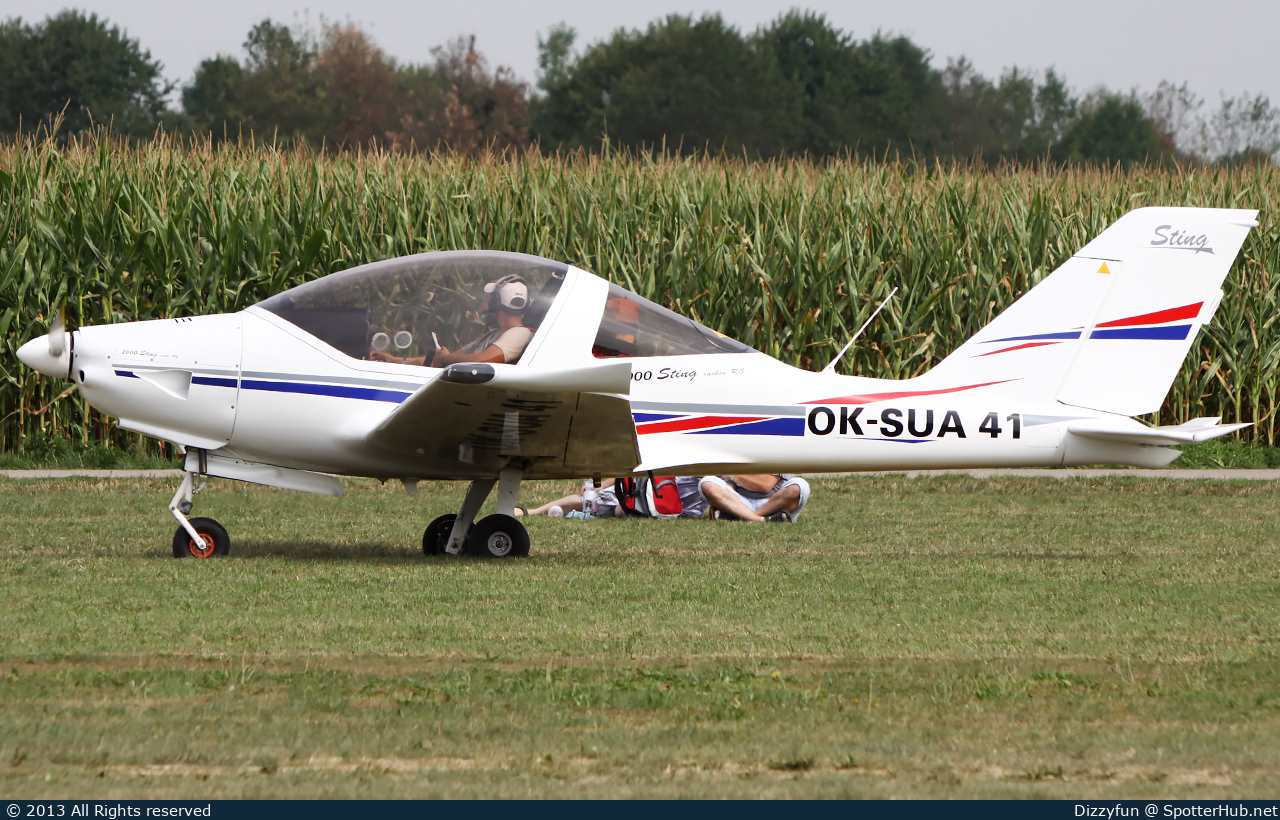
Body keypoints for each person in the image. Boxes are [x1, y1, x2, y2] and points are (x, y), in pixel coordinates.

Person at [373, 274, 533, 366]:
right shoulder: (490, 335)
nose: (483, 308)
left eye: (486, 301)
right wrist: (396, 360)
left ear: (496, 303)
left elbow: (482, 360)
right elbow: (455, 356)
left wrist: (445, 359)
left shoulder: (520, 334)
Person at [698, 474, 810, 523]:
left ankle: (739, 516)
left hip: (773, 503)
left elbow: (766, 485)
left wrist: (733, 475)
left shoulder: (779, 450)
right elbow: (729, 487)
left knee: (801, 485)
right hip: (741, 502)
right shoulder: (738, 449)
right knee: (707, 483)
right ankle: (762, 520)